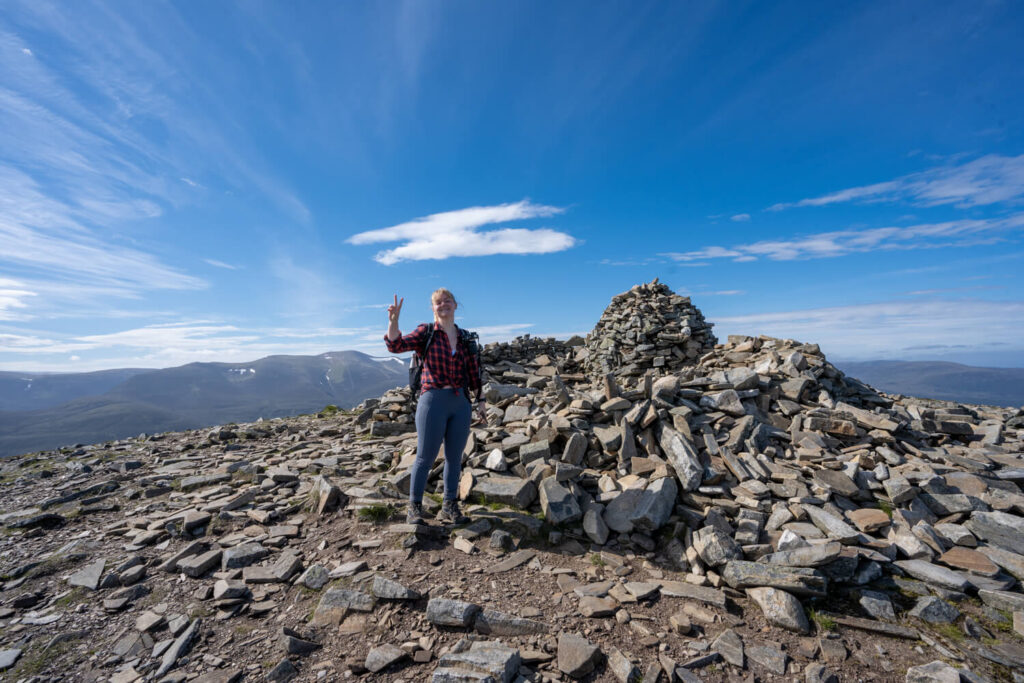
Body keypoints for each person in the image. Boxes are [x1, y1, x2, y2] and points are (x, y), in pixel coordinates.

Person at [385, 288, 485, 524]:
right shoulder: (426, 331)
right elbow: (396, 345)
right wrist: (394, 322)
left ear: (455, 305)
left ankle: (449, 506)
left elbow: (474, 372)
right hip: (433, 400)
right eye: (438, 303)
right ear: (433, 308)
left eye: (447, 301)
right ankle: (415, 508)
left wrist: (480, 401)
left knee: (454, 457)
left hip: (460, 402)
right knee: (425, 457)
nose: (443, 305)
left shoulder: (466, 337)